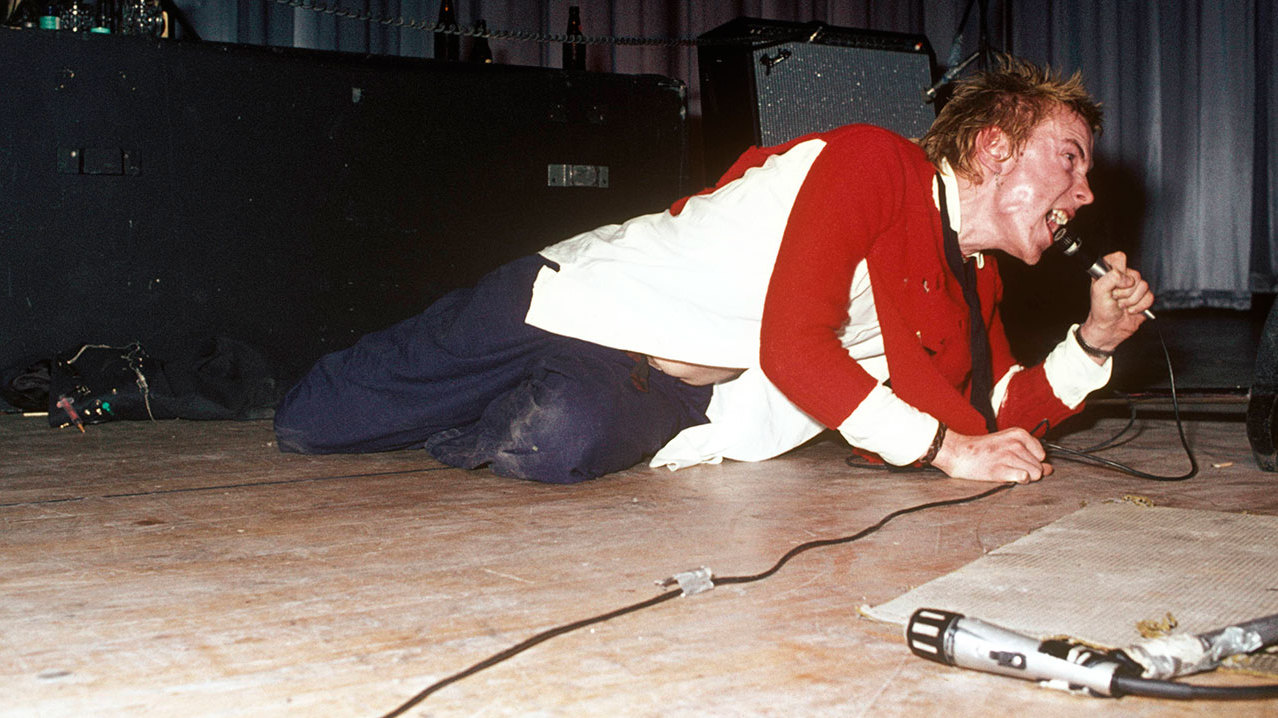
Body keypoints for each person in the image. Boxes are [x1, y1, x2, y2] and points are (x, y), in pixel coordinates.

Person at [273, 55, 1153, 485]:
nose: (1082, 194)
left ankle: (503, 411)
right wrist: (943, 450)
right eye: (1069, 160)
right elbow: (796, 342)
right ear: (994, 148)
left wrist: (1093, 341)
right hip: (577, 308)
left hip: (669, 390)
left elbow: (988, 408)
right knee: (311, 422)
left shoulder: (974, 279)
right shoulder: (874, 163)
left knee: (556, 443)